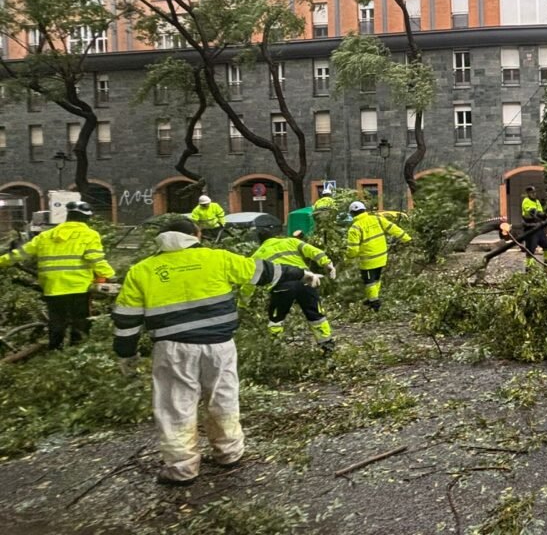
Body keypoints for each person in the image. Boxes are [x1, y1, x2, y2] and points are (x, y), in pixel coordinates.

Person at [112, 219, 320, 485]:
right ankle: (229, 452)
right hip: (219, 345)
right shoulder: (218, 258)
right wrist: (302, 274)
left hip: (173, 348)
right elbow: (263, 271)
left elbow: (127, 319)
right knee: (223, 397)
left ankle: (181, 468)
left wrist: (126, 354)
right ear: (196, 235)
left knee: (176, 405)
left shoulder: (142, 270)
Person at [0, 201, 114, 349]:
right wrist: (109, 275)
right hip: (77, 286)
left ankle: (54, 349)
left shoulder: (46, 235)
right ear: (87, 218)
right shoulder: (89, 234)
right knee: (79, 321)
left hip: (52, 286)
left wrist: (1, 261)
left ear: (68, 216)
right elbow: (95, 258)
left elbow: (21, 253)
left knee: (57, 321)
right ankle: (76, 350)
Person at [245, 226, 338, 353]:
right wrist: (327, 264)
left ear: (260, 242)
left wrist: (243, 304)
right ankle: (327, 344)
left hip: (282, 287)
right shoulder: (290, 241)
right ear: (276, 236)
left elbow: (250, 282)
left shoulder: (257, 255)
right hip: (306, 281)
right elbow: (313, 251)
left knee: (276, 319)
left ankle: (275, 348)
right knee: (316, 314)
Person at [345, 201, 411, 311]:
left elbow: (353, 249)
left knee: (369, 282)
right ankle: (371, 298)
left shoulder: (355, 228)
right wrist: (407, 238)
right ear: (364, 210)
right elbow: (393, 228)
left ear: (352, 214)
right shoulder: (377, 219)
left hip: (368, 259)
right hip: (382, 256)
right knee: (376, 278)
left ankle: (375, 303)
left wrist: (348, 258)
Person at [520, 186, 547, 270]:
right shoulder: (526, 201)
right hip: (530, 229)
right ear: (528, 193)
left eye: (534, 192)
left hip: (539, 228)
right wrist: (546, 215)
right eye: (532, 192)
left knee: (546, 246)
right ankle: (529, 270)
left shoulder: (537, 201)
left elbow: (541, 214)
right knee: (530, 250)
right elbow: (534, 212)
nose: (534, 194)